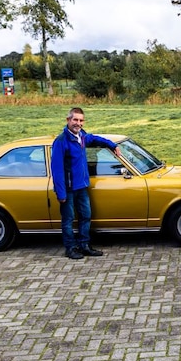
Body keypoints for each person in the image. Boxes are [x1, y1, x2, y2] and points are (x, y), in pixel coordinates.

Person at [51, 107, 121, 259]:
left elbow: (95, 139)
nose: (78, 123)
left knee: (86, 216)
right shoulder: (61, 141)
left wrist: (112, 145)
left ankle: (84, 245)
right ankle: (70, 248)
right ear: (68, 120)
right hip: (68, 189)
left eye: (81, 120)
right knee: (68, 220)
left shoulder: (82, 136)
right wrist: (61, 193)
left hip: (82, 187)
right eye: (75, 120)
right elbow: (56, 170)